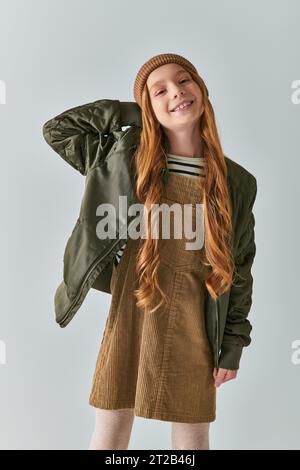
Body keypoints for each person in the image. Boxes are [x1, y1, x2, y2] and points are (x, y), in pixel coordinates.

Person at [87, 53, 257, 450]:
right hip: (133, 311)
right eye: (160, 90)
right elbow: (59, 131)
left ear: (201, 88)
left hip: (195, 322)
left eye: (184, 81)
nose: (177, 92)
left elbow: (241, 268)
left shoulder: (237, 182)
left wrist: (232, 346)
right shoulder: (131, 164)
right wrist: (139, 111)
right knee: (110, 435)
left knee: (192, 441)